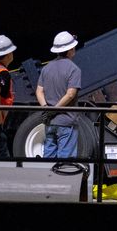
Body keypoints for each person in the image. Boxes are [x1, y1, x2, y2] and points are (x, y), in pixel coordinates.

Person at [35, 31, 82, 159]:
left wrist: (47, 108)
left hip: (50, 122)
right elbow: (71, 94)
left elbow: (39, 91)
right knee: (65, 161)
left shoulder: (46, 68)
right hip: (66, 121)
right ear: (70, 49)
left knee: (48, 157)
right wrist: (55, 109)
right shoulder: (74, 69)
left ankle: (47, 179)